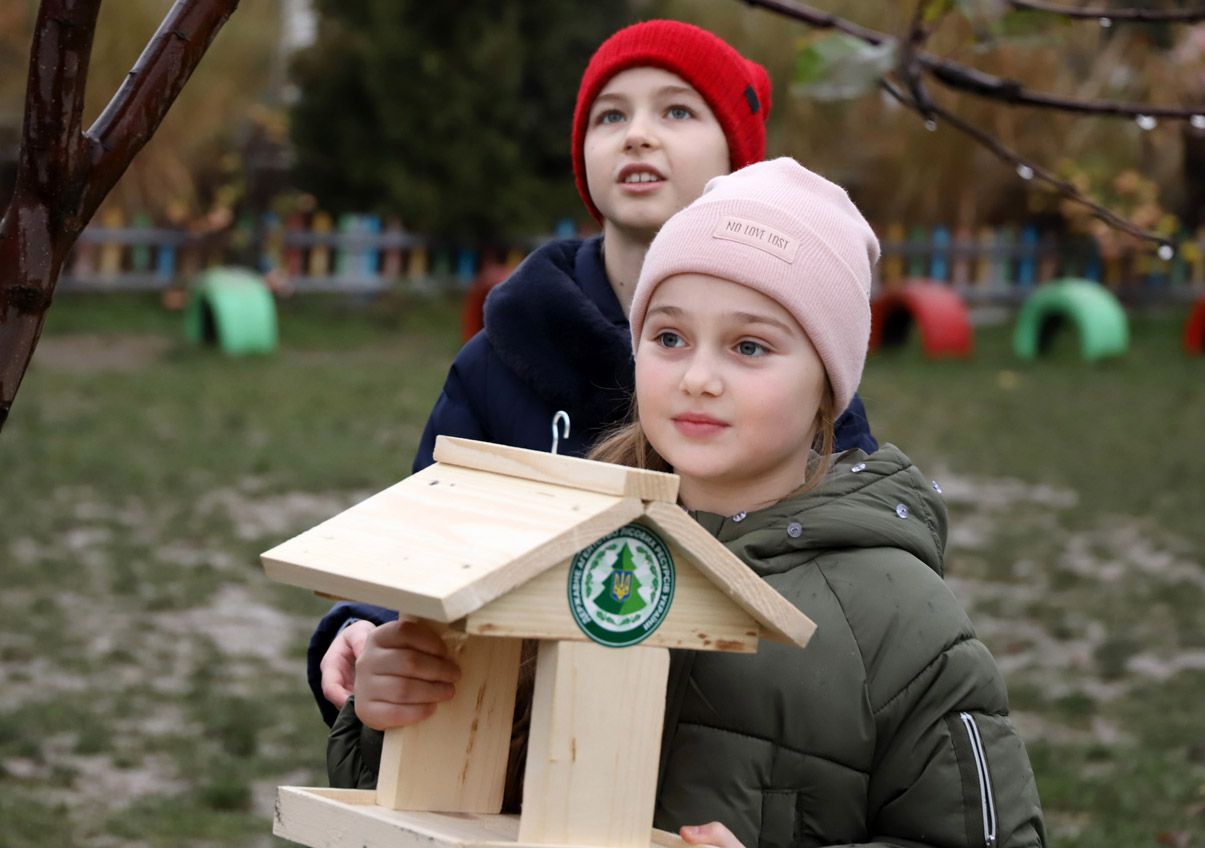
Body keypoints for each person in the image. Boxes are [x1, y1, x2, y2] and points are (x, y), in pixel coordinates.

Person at [330, 158, 1047, 847]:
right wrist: (388, 716)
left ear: (828, 383)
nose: (698, 377)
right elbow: (433, 797)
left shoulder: (899, 621)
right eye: (668, 337)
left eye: (748, 347)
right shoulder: (556, 543)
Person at [308, 19, 879, 728]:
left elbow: (853, 567)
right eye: (612, 115)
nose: (638, 134)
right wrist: (365, 625)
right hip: (515, 734)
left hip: (726, 746)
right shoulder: (503, 355)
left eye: (676, 110)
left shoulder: (791, 370)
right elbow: (425, 548)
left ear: (737, 160)